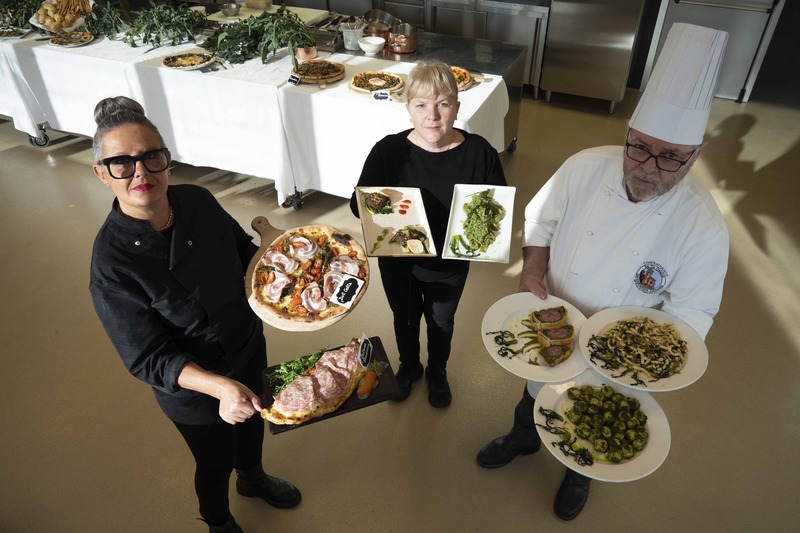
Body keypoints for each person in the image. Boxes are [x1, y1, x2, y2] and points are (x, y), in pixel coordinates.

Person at [476, 24, 730, 520]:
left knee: (591, 418)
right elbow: (540, 220)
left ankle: (579, 476)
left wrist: (635, 354)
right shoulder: (583, 166)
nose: (648, 167)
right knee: (533, 395)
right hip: (555, 319)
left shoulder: (703, 227)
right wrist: (531, 275)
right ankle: (521, 439)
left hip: (620, 356)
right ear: (628, 134)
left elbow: (694, 310)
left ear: (695, 155)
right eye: (639, 147)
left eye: (671, 157)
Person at [89, 97, 300, 533]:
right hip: (194, 386)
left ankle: (253, 478)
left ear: (167, 158)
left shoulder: (198, 201)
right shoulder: (111, 266)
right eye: (122, 163)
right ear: (101, 173)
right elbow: (147, 357)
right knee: (214, 459)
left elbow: (244, 252)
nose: (141, 173)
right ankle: (218, 521)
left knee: (255, 423)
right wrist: (219, 387)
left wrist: (287, 277)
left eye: (151, 157)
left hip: (245, 342)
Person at [350, 61, 507, 408]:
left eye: (442, 104)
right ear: (408, 109)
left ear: (457, 107)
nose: (432, 115)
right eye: (420, 105)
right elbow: (356, 204)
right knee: (404, 319)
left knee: (441, 322)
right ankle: (409, 367)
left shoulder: (479, 152)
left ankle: (438, 370)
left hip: (449, 267)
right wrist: (386, 207)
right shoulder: (388, 151)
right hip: (400, 264)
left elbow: (497, 208)